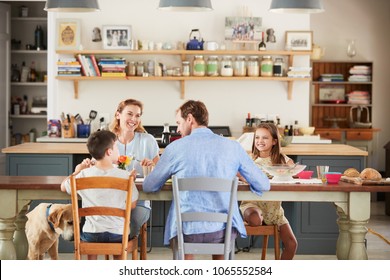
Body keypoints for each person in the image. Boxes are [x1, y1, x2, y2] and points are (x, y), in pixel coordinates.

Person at [143, 100, 270, 260]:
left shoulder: (175, 148)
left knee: (184, 232)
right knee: (223, 233)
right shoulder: (233, 147)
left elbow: (149, 186)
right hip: (222, 230)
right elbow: (263, 184)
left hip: (186, 230)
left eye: (179, 123)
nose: (178, 129)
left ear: (190, 119)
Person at [60, 130, 139, 260]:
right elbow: (133, 205)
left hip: (92, 233)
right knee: (121, 236)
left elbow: (63, 186)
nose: (118, 151)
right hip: (118, 233)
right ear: (109, 152)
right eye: (117, 148)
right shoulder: (126, 176)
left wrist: (77, 171)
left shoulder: (83, 175)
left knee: (92, 235)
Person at [239, 123, 298, 260]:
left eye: (265, 138)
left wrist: (288, 167)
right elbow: (240, 174)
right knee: (255, 220)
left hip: (275, 211)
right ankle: (252, 218)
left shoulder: (280, 159)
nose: (260, 141)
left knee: (292, 244)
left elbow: (294, 171)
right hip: (252, 204)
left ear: (274, 141)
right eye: (257, 137)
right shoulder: (250, 159)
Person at [110, 98, 160, 238]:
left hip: (139, 202)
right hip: (111, 201)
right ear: (118, 115)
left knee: (128, 225)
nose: (134, 119)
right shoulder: (107, 140)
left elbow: (161, 171)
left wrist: (152, 166)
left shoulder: (147, 140)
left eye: (137, 115)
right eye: (130, 114)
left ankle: (122, 253)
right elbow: (97, 169)